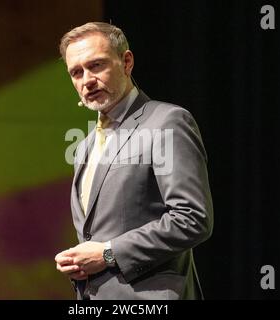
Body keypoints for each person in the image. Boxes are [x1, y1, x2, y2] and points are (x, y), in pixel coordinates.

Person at [55, 22, 213, 300]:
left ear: (126, 62)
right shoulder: (85, 146)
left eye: (96, 65)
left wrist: (108, 253)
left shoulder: (167, 122)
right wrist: (80, 261)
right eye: (76, 72)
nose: (87, 80)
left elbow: (192, 219)